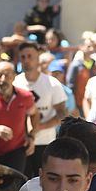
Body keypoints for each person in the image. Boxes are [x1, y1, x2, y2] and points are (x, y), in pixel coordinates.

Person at [15, 42, 67, 178]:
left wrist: (40, 127)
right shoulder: (15, 83)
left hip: (45, 142)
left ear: (38, 58)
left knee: (45, 182)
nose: (26, 60)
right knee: (21, 181)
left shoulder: (52, 84)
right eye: (23, 57)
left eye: (30, 56)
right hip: (21, 143)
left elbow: (62, 113)